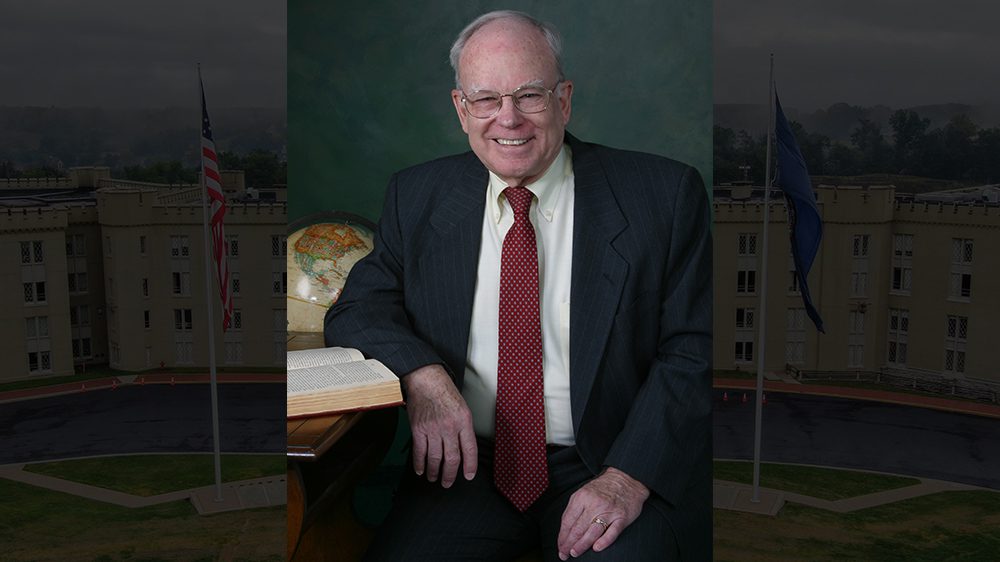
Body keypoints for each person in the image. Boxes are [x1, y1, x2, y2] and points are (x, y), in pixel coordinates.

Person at [325, 10, 711, 561]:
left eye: (530, 95)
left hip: (610, 461)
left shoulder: (663, 196)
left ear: (565, 99)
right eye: (486, 99)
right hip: (465, 470)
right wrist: (424, 377)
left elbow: (693, 351)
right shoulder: (417, 196)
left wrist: (627, 479)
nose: (509, 119)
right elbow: (359, 307)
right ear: (461, 109)